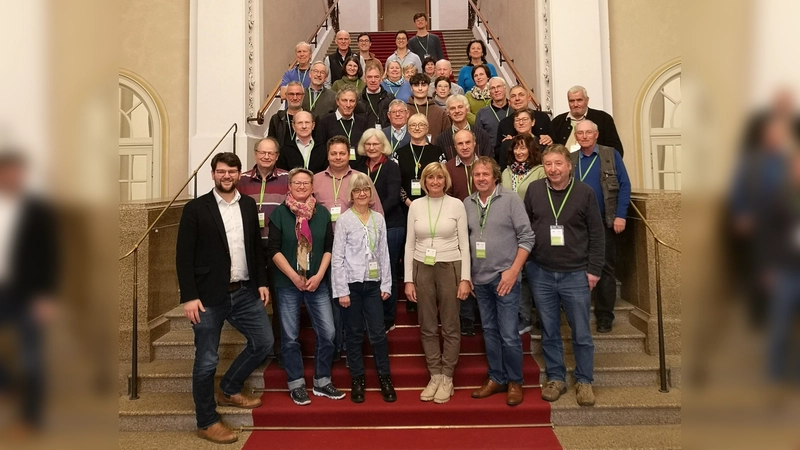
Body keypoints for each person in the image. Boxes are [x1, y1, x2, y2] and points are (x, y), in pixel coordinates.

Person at [176, 152, 273, 443]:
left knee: (264, 341)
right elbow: (183, 255)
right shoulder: (196, 208)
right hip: (207, 297)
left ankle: (230, 388)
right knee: (206, 361)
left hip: (244, 291)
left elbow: (255, 247)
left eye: (232, 171)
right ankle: (206, 421)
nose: (226, 176)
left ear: (239, 174)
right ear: (213, 174)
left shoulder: (247, 204)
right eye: (221, 171)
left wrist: (261, 282)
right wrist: (189, 296)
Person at [524, 144, 604, 407]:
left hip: (576, 273)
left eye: (558, 163)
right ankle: (556, 377)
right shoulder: (535, 190)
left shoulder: (584, 192)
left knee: (581, 332)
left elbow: (596, 233)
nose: (553, 169)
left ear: (569, 165)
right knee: (549, 329)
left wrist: (594, 269)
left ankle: (584, 380)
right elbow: (526, 229)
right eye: (548, 164)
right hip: (541, 272)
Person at [267, 168, 345, 405]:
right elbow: (274, 250)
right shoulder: (279, 214)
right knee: (290, 337)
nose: (301, 187)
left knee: (328, 333)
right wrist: (293, 276)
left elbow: (330, 247)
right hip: (288, 283)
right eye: (297, 183)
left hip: (316, 282)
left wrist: (320, 275)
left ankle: (322, 380)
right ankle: (296, 384)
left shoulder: (321, 214)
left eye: (306, 183)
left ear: (313, 187)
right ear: (288, 186)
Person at [465, 156, 534, 406]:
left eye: (485, 174)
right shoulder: (468, 203)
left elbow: (527, 237)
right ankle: (496, 377)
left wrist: (514, 271)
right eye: (476, 175)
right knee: (490, 332)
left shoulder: (511, 200)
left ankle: (515, 381)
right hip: (480, 280)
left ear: (495, 176)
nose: (481, 179)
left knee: (508, 334)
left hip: (505, 277)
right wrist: (468, 275)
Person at [0, 150, 59, 435]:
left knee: (31, 356)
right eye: (7, 171)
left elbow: (51, 254)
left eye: (17, 172)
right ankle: (7, 384)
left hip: (28, 293)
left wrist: (46, 296)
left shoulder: (37, 209)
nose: (12, 177)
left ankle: (31, 418)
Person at [404, 162, 471, 404]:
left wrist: (465, 278)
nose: (435, 182)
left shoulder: (457, 205)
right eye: (430, 178)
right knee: (428, 324)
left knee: (451, 325)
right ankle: (434, 374)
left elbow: (465, 244)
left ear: (445, 181)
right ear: (424, 181)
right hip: (422, 267)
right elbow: (409, 244)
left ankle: (447, 377)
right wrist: (409, 280)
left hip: (450, 266)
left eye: (439, 178)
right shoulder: (416, 206)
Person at [331, 172, 397, 403]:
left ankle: (384, 377)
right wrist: (342, 291)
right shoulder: (344, 220)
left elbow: (384, 253)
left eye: (365, 190)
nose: (361, 194)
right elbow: (337, 257)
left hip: (373, 284)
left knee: (378, 334)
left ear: (371, 194)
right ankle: (357, 378)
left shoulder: (378, 218)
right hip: (351, 284)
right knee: (355, 333)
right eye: (357, 190)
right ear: (351, 194)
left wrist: (386, 282)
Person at [569, 120, 631, 333]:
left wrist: (621, 216)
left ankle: (605, 315)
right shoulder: (571, 159)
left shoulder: (609, 155)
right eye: (580, 133)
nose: (584, 136)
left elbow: (624, 185)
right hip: (577, 224)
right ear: (576, 137)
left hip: (606, 220)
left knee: (605, 267)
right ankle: (579, 312)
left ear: (596, 134)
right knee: (576, 267)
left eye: (588, 132)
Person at [237, 138, 290, 367]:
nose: (267, 157)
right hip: (250, 250)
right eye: (262, 153)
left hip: (279, 250)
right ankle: (258, 347)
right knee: (253, 301)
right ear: (255, 154)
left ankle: (280, 350)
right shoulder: (241, 180)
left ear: (277, 156)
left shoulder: (288, 179)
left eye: (271, 153)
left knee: (280, 302)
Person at [354, 130, 405, 331]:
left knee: (387, 269)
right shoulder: (358, 167)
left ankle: (388, 317)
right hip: (363, 225)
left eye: (376, 144)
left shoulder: (391, 167)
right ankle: (370, 315)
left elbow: (393, 197)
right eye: (368, 144)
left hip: (390, 224)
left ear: (383, 145)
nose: (372, 148)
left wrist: (372, 215)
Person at [500, 134, 545, 334]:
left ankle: (543, 316)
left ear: (531, 150)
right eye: (516, 148)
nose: (519, 152)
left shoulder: (540, 172)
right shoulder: (506, 173)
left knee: (536, 274)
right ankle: (523, 316)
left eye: (523, 148)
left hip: (535, 228)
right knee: (520, 274)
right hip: (511, 232)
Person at [552, 85, 624, 156]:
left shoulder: (603, 118)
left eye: (579, 100)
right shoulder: (557, 121)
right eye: (572, 101)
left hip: (595, 164)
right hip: (564, 165)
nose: (575, 104)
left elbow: (616, 150)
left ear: (587, 100)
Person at [396, 114, 447, 208]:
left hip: (434, 204)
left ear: (427, 129)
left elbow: (444, 178)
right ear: (408, 128)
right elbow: (395, 182)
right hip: (405, 206)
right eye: (412, 125)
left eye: (421, 125)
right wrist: (409, 203)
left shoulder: (437, 152)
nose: (417, 128)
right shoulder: (398, 154)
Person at [314, 86, 369, 169]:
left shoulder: (362, 123)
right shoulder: (325, 122)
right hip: (333, 171)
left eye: (352, 101)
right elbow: (320, 151)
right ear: (337, 102)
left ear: (356, 103)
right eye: (344, 100)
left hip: (358, 172)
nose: (348, 105)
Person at [495, 85, 554, 156]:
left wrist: (550, 140)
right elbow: (497, 152)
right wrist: (506, 144)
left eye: (521, 95)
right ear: (509, 102)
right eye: (513, 96)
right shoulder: (504, 123)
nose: (517, 99)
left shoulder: (543, 118)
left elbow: (556, 144)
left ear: (529, 98)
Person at [435, 95, 492, 160]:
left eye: (460, 107)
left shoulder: (482, 135)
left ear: (467, 109)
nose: (457, 111)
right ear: (448, 112)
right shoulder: (441, 140)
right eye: (452, 108)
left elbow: (489, 161)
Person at [405, 73, 451, 139]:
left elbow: (447, 138)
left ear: (428, 87)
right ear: (411, 88)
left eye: (423, 85)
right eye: (416, 85)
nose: (420, 88)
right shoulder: (404, 111)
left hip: (435, 148)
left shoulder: (440, 112)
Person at [475, 77, 511, 148]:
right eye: (493, 88)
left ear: (505, 88)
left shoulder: (514, 110)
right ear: (489, 92)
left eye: (499, 86)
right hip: (491, 155)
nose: (496, 90)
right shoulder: (482, 113)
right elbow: (478, 138)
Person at [269, 81, 305, 148]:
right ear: (286, 95)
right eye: (291, 94)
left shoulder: (312, 119)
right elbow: (271, 145)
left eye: (298, 94)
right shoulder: (276, 119)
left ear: (303, 96)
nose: (295, 98)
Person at [359, 63, 395, 129]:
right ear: (365, 79)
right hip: (364, 136)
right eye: (369, 77)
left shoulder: (390, 98)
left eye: (376, 77)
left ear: (381, 79)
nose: (373, 80)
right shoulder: (358, 99)